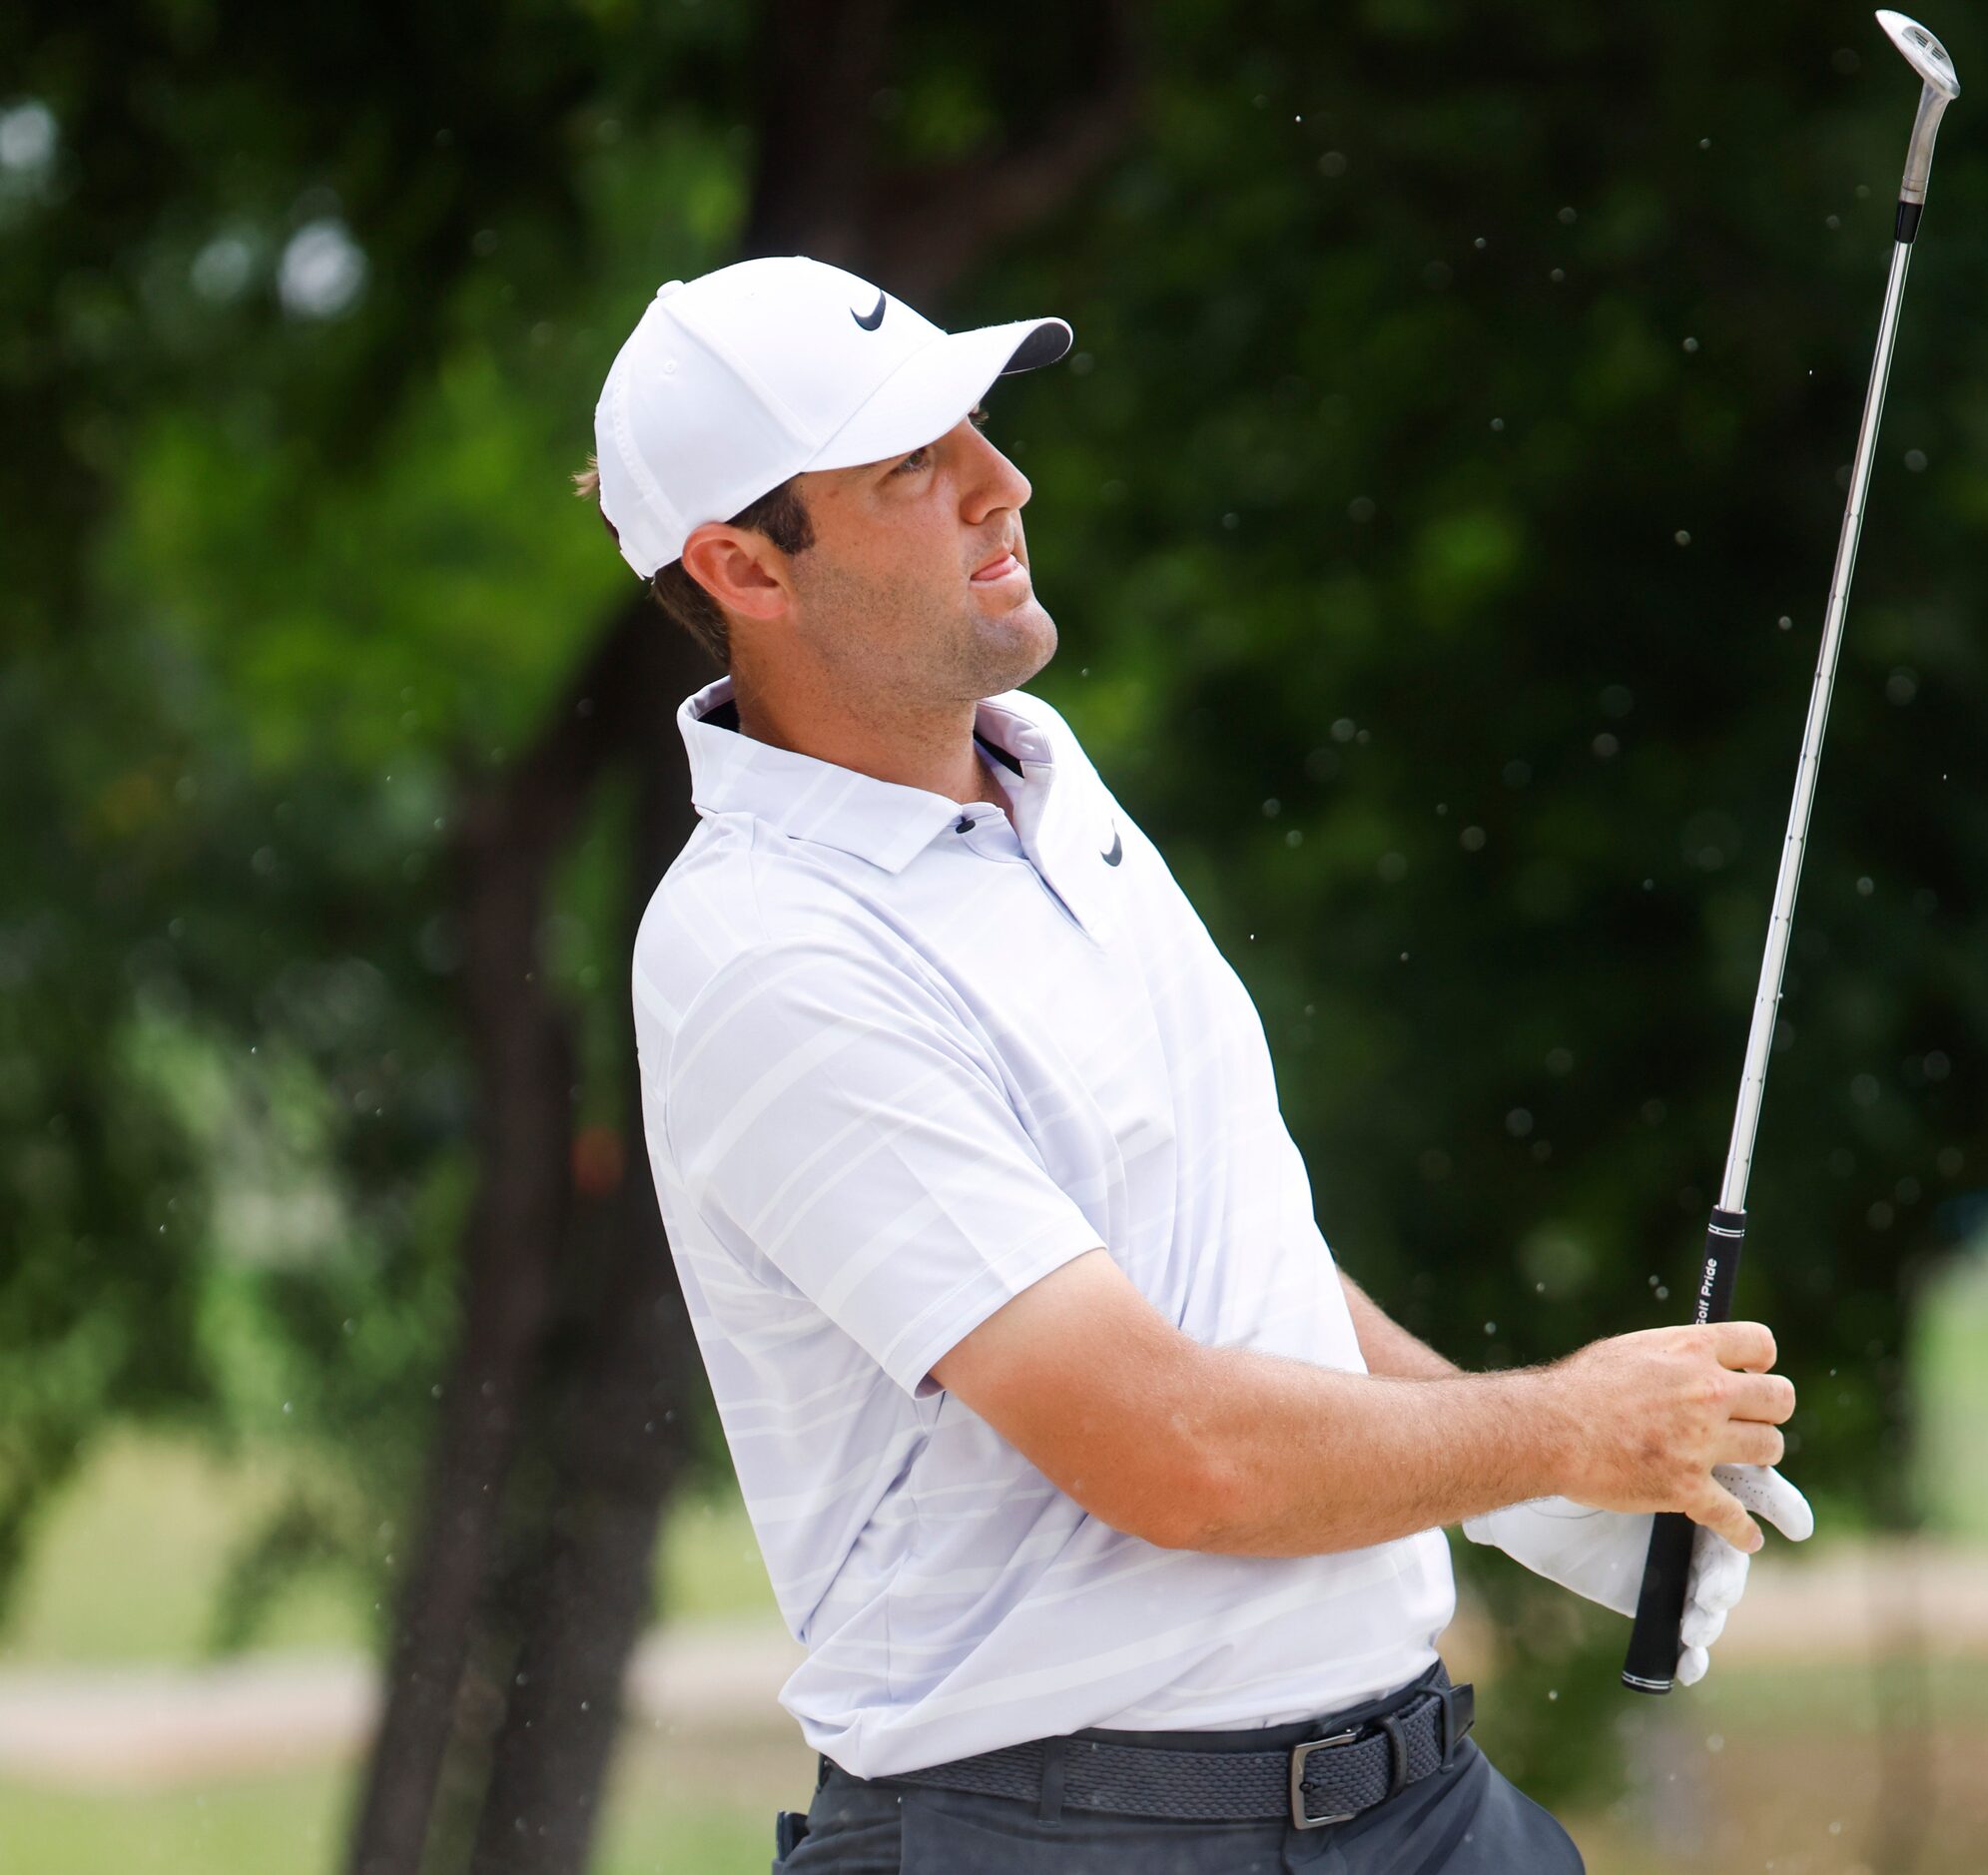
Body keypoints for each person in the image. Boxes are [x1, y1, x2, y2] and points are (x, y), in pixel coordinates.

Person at [581, 257, 1815, 1873]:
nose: (1001, 483)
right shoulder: (768, 953)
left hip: (1416, 1797)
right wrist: (1558, 1427)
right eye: (910, 464)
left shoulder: (1045, 779)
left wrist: (1518, 1471)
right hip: (1067, 1838)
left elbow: (1232, 1258)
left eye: (976, 427)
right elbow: (1170, 1448)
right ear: (743, 563)